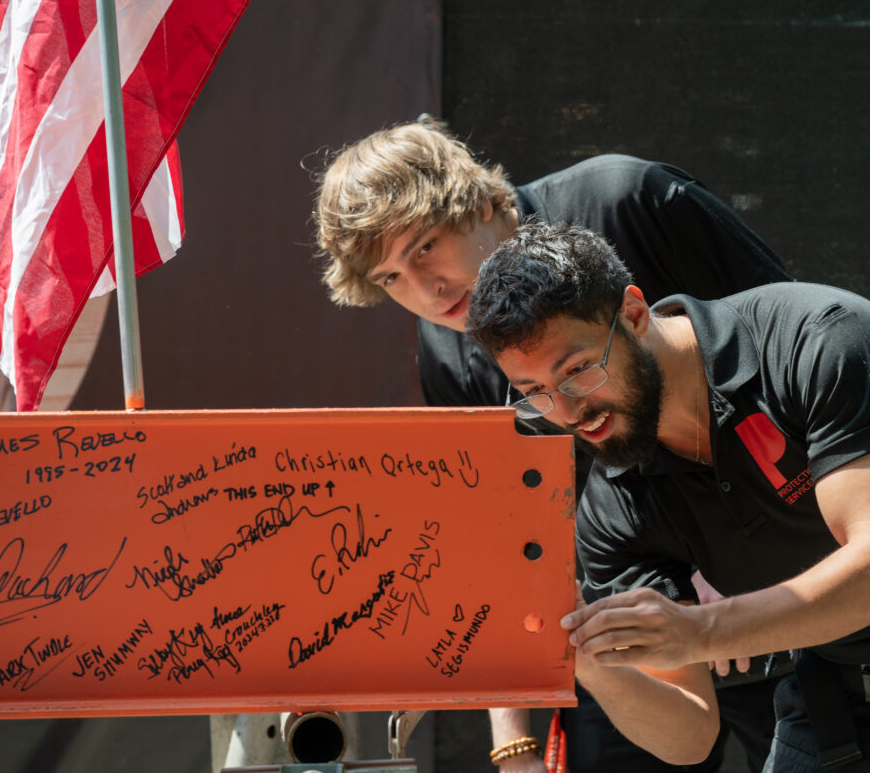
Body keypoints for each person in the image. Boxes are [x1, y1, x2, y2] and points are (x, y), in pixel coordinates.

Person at [464, 221, 870, 773]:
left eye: (577, 370)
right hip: (832, 704)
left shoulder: (821, 338)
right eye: (534, 392)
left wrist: (702, 631)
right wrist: (589, 659)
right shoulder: (612, 502)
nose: (569, 411)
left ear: (633, 313)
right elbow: (688, 734)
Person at [312, 119, 791, 773]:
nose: (426, 290)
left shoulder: (628, 200)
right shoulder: (448, 349)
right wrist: (513, 747)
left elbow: (786, 364)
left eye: (425, 247)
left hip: (777, 585)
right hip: (614, 624)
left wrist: (738, 550)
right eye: (392, 278)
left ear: (480, 201)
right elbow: (494, 535)